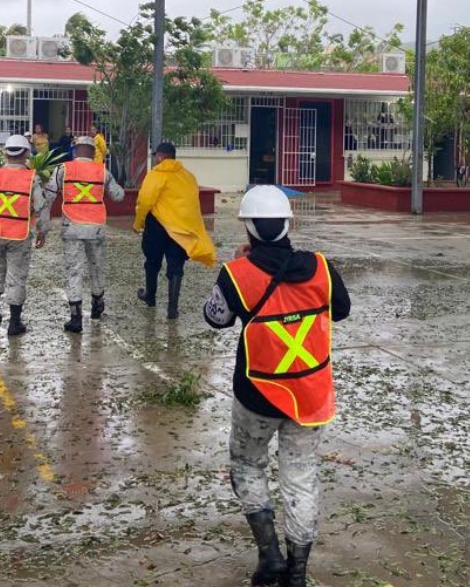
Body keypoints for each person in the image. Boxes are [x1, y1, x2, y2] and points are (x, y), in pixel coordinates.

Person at [202, 185, 351, 587]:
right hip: (311, 394)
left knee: (247, 464)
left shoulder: (236, 274)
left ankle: (269, 556)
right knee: (301, 475)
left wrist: (240, 268)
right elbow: (342, 310)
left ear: (247, 228)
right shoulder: (320, 267)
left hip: (258, 395)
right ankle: (297, 573)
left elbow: (215, 317)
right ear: (290, 223)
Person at [42, 136, 125, 333]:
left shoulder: (63, 169)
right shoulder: (102, 171)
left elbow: (48, 198)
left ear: (75, 149)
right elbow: (119, 196)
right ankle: (97, 305)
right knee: (97, 267)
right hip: (96, 227)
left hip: (72, 226)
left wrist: (43, 229)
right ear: (93, 151)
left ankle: (75, 318)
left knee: (74, 270)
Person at [0, 134, 48, 336]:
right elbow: (41, 207)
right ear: (26, 153)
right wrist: (43, 231)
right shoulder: (32, 178)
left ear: (6, 153)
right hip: (19, 234)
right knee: (17, 276)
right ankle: (14, 323)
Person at [133, 142, 217, 319]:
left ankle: (150, 296)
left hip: (157, 226)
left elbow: (145, 201)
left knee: (152, 262)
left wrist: (138, 223)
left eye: (157, 156)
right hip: (180, 229)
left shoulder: (155, 175)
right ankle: (172, 309)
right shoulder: (188, 177)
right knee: (176, 266)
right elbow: (193, 204)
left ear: (160, 157)